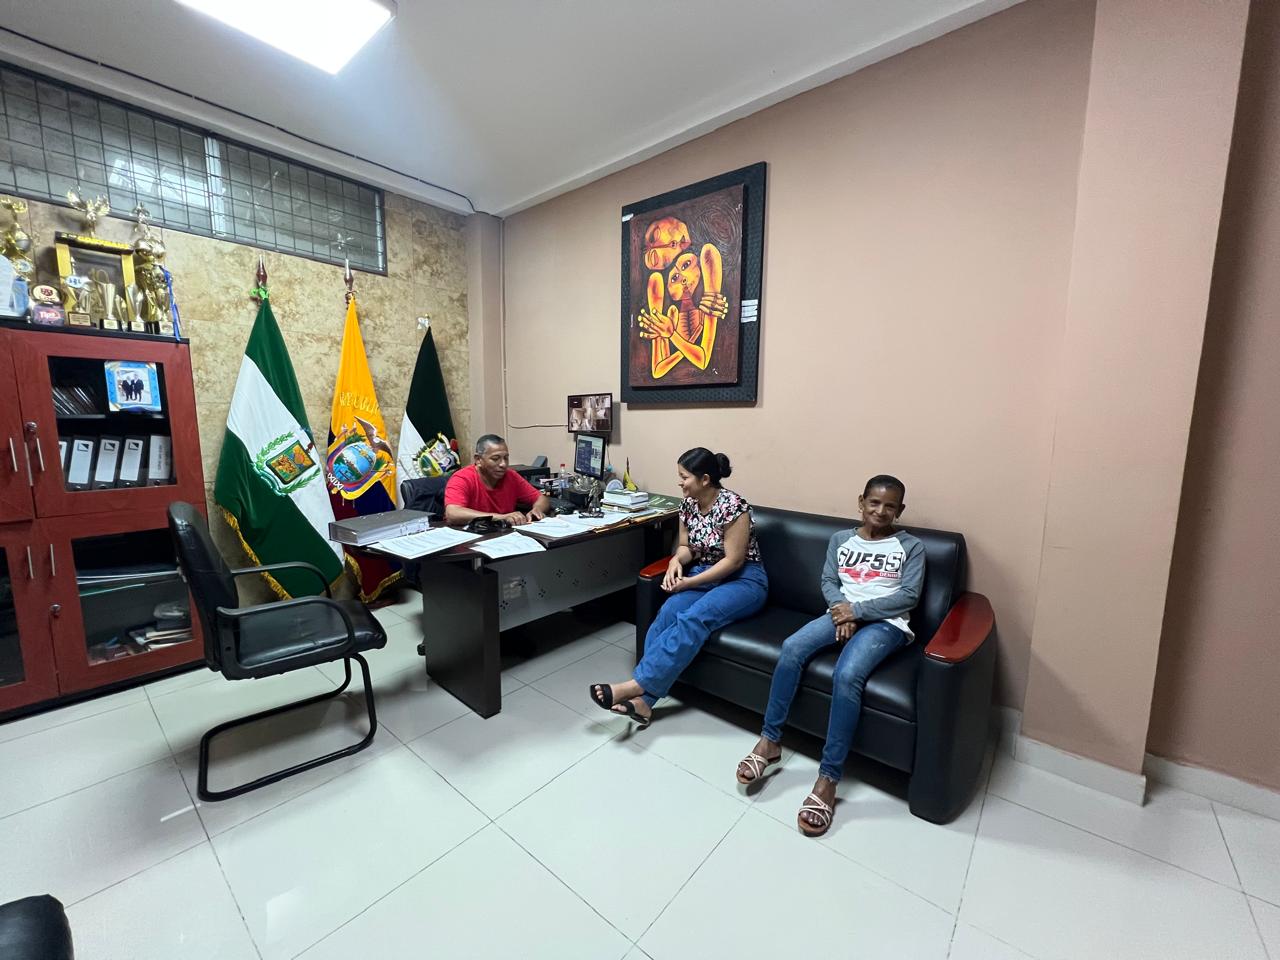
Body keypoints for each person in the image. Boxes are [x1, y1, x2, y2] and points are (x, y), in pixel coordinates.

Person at [735, 475, 924, 838]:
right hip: (839, 614)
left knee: (847, 674)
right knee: (792, 648)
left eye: (890, 506)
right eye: (874, 502)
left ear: (900, 510)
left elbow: (908, 596)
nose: (880, 511)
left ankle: (828, 778)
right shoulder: (841, 539)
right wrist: (842, 610)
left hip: (886, 625)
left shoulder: (911, 546)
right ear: (861, 502)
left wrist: (857, 611)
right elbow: (828, 581)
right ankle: (770, 740)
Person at [589, 447, 768, 725]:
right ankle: (645, 703)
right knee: (668, 613)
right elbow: (687, 547)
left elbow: (733, 561)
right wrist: (675, 561)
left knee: (694, 617)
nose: (680, 483)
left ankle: (636, 686)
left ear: (705, 479)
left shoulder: (734, 506)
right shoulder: (688, 504)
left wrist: (689, 582)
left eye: (684, 477)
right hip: (706, 572)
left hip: (743, 580)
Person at [443, 434, 551, 526]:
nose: (503, 464)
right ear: (478, 460)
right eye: (495, 459)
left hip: (502, 535)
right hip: (470, 536)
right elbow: (453, 513)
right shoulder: (462, 478)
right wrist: (501, 517)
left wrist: (537, 509)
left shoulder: (511, 476)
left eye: (506, 458)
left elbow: (541, 498)